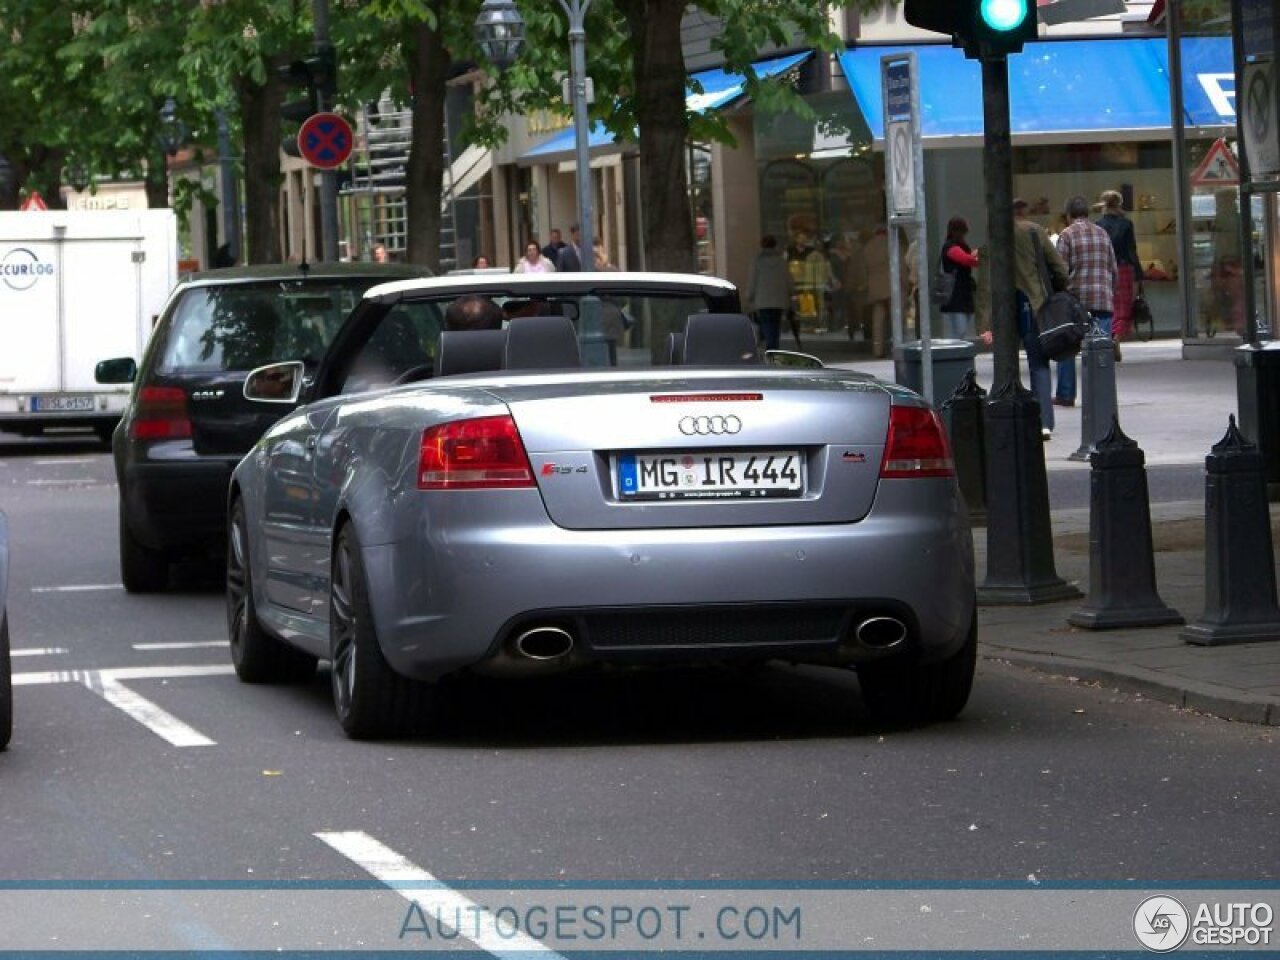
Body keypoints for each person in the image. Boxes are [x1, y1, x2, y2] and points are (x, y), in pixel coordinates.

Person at [1013, 197, 1068, 439]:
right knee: (1038, 364)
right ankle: (1044, 421)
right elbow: (1058, 267)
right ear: (1024, 211)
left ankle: (1011, 415)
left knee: (1007, 367)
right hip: (1034, 304)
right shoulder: (1035, 231)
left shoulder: (996, 233)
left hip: (1007, 306)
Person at [1055, 194, 1117, 407]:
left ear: (1069, 215)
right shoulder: (1103, 233)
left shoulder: (1066, 235)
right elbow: (1113, 269)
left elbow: (1060, 271)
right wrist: (1109, 292)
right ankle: (1102, 392)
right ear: (1087, 213)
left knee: (1067, 346)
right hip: (1102, 300)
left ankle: (1066, 393)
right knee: (1101, 349)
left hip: (1076, 303)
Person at [1095, 189, 1142, 351]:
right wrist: (1138, 273)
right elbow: (1132, 249)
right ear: (1119, 204)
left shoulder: (1098, 225)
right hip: (1123, 267)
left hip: (1105, 268)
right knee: (1124, 306)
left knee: (1109, 305)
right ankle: (1117, 338)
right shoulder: (1127, 224)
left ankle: (1108, 337)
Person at [746, 235, 794, 351]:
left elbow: (752, 281)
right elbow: (789, 281)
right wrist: (791, 293)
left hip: (762, 301)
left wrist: (749, 296)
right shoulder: (782, 261)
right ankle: (773, 347)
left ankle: (770, 347)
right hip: (779, 300)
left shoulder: (757, 262)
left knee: (766, 323)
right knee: (775, 325)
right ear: (775, 245)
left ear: (762, 245)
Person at [938, 217, 980, 339]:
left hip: (962, 292)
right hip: (955, 293)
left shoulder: (960, 246)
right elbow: (967, 259)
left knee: (961, 328)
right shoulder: (950, 246)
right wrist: (979, 257)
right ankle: (955, 352)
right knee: (959, 330)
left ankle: (956, 350)